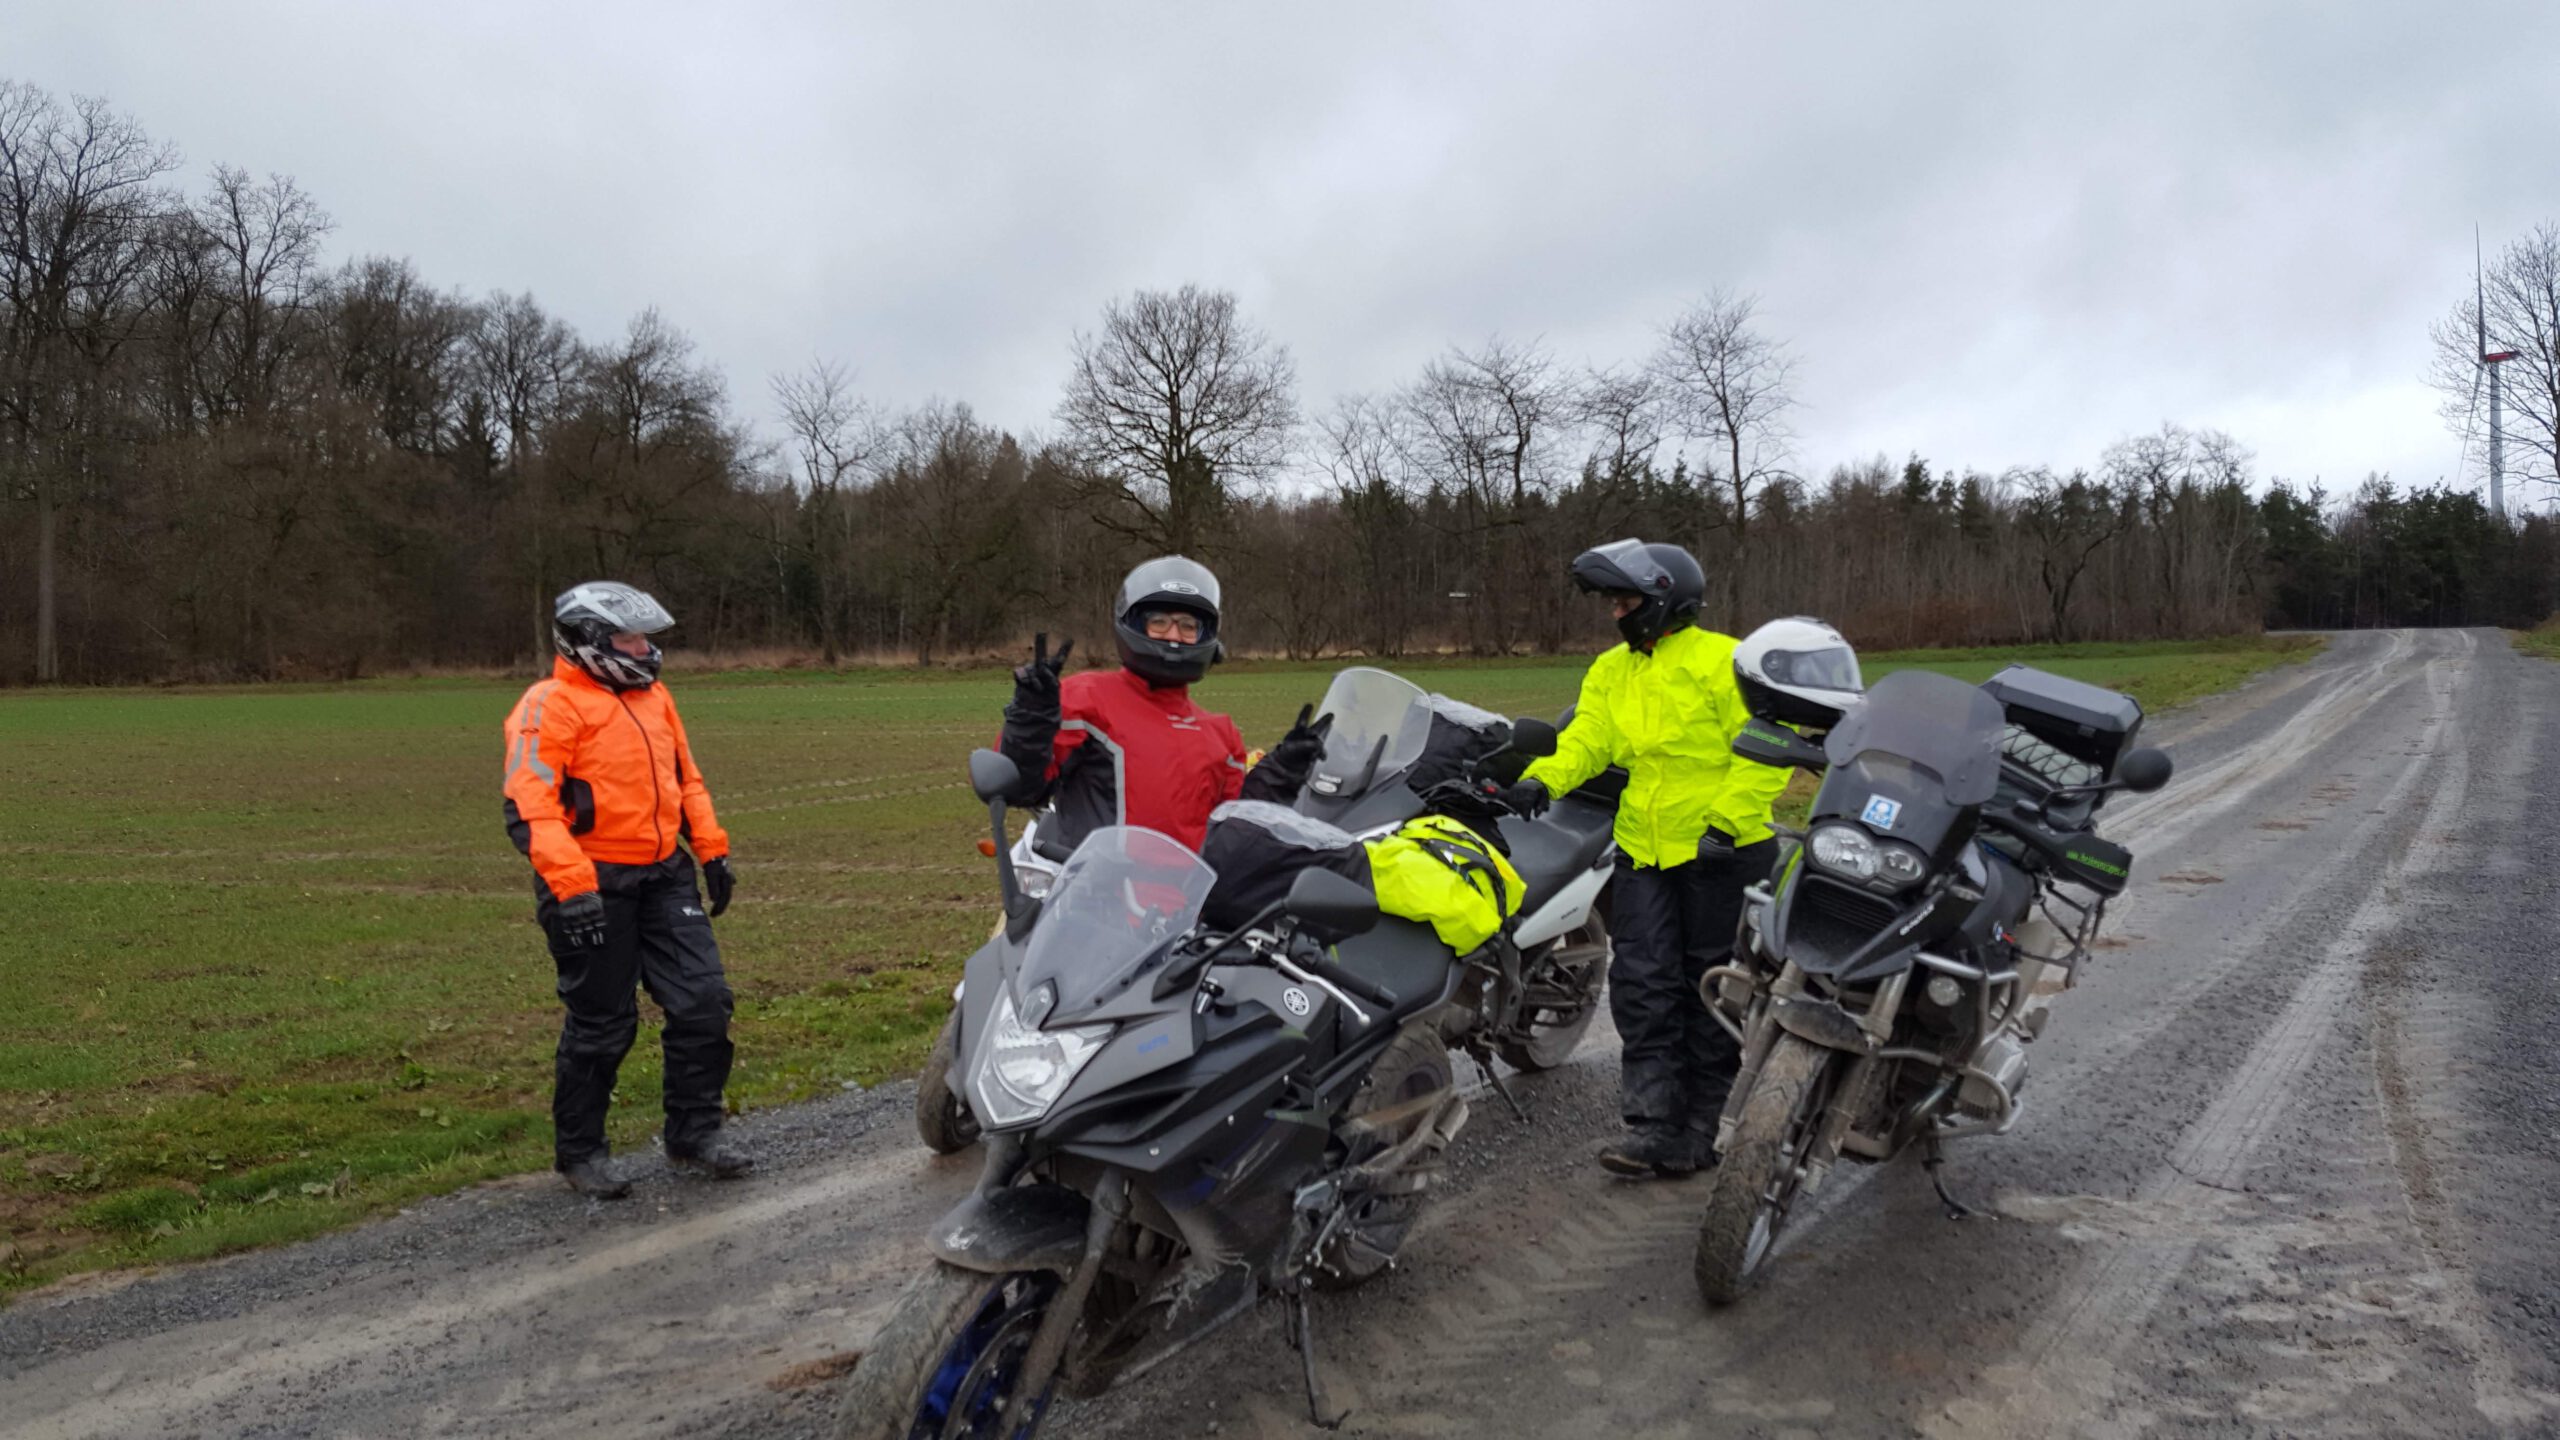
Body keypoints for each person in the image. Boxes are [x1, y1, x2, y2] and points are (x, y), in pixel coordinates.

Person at [1499, 540, 1791, 1179]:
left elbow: (1764, 749)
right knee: (1642, 986)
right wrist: (1541, 781)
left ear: (1664, 598)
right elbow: (1589, 741)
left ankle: (1703, 1126)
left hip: (1722, 852)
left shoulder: (1725, 661)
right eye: (1612, 603)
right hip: (1643, 849)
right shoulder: (1611, 670)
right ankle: (1652, 1126)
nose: (1615, 615)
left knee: (1705, 989)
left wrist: (1727, 824)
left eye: (1625, 602)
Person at [502, 582, 749, 1199]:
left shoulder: (654, 697)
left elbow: (684, 779)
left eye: (644, 638)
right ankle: (581, 1153)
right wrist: (572, 888)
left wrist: (711, 849)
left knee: (704, 1003)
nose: (644, 649)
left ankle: (694, 1135)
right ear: (587, 641)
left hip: (665, 873)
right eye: (629, 639)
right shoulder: (548, 705)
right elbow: (531, 805)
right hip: (591, 882)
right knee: (602, 1027)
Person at [998, 556, 1328, 853]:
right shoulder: (1086, 698)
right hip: (1098, 901)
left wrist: (1281, 773)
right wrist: (1031, 718)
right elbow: (1022, 787)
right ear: (1136, 623)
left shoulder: (1219, 733)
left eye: (1188, 626)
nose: (1174, 635)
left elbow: (1237, 828)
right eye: (1160, 622)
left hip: (1190, 909)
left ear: (1207, 636)